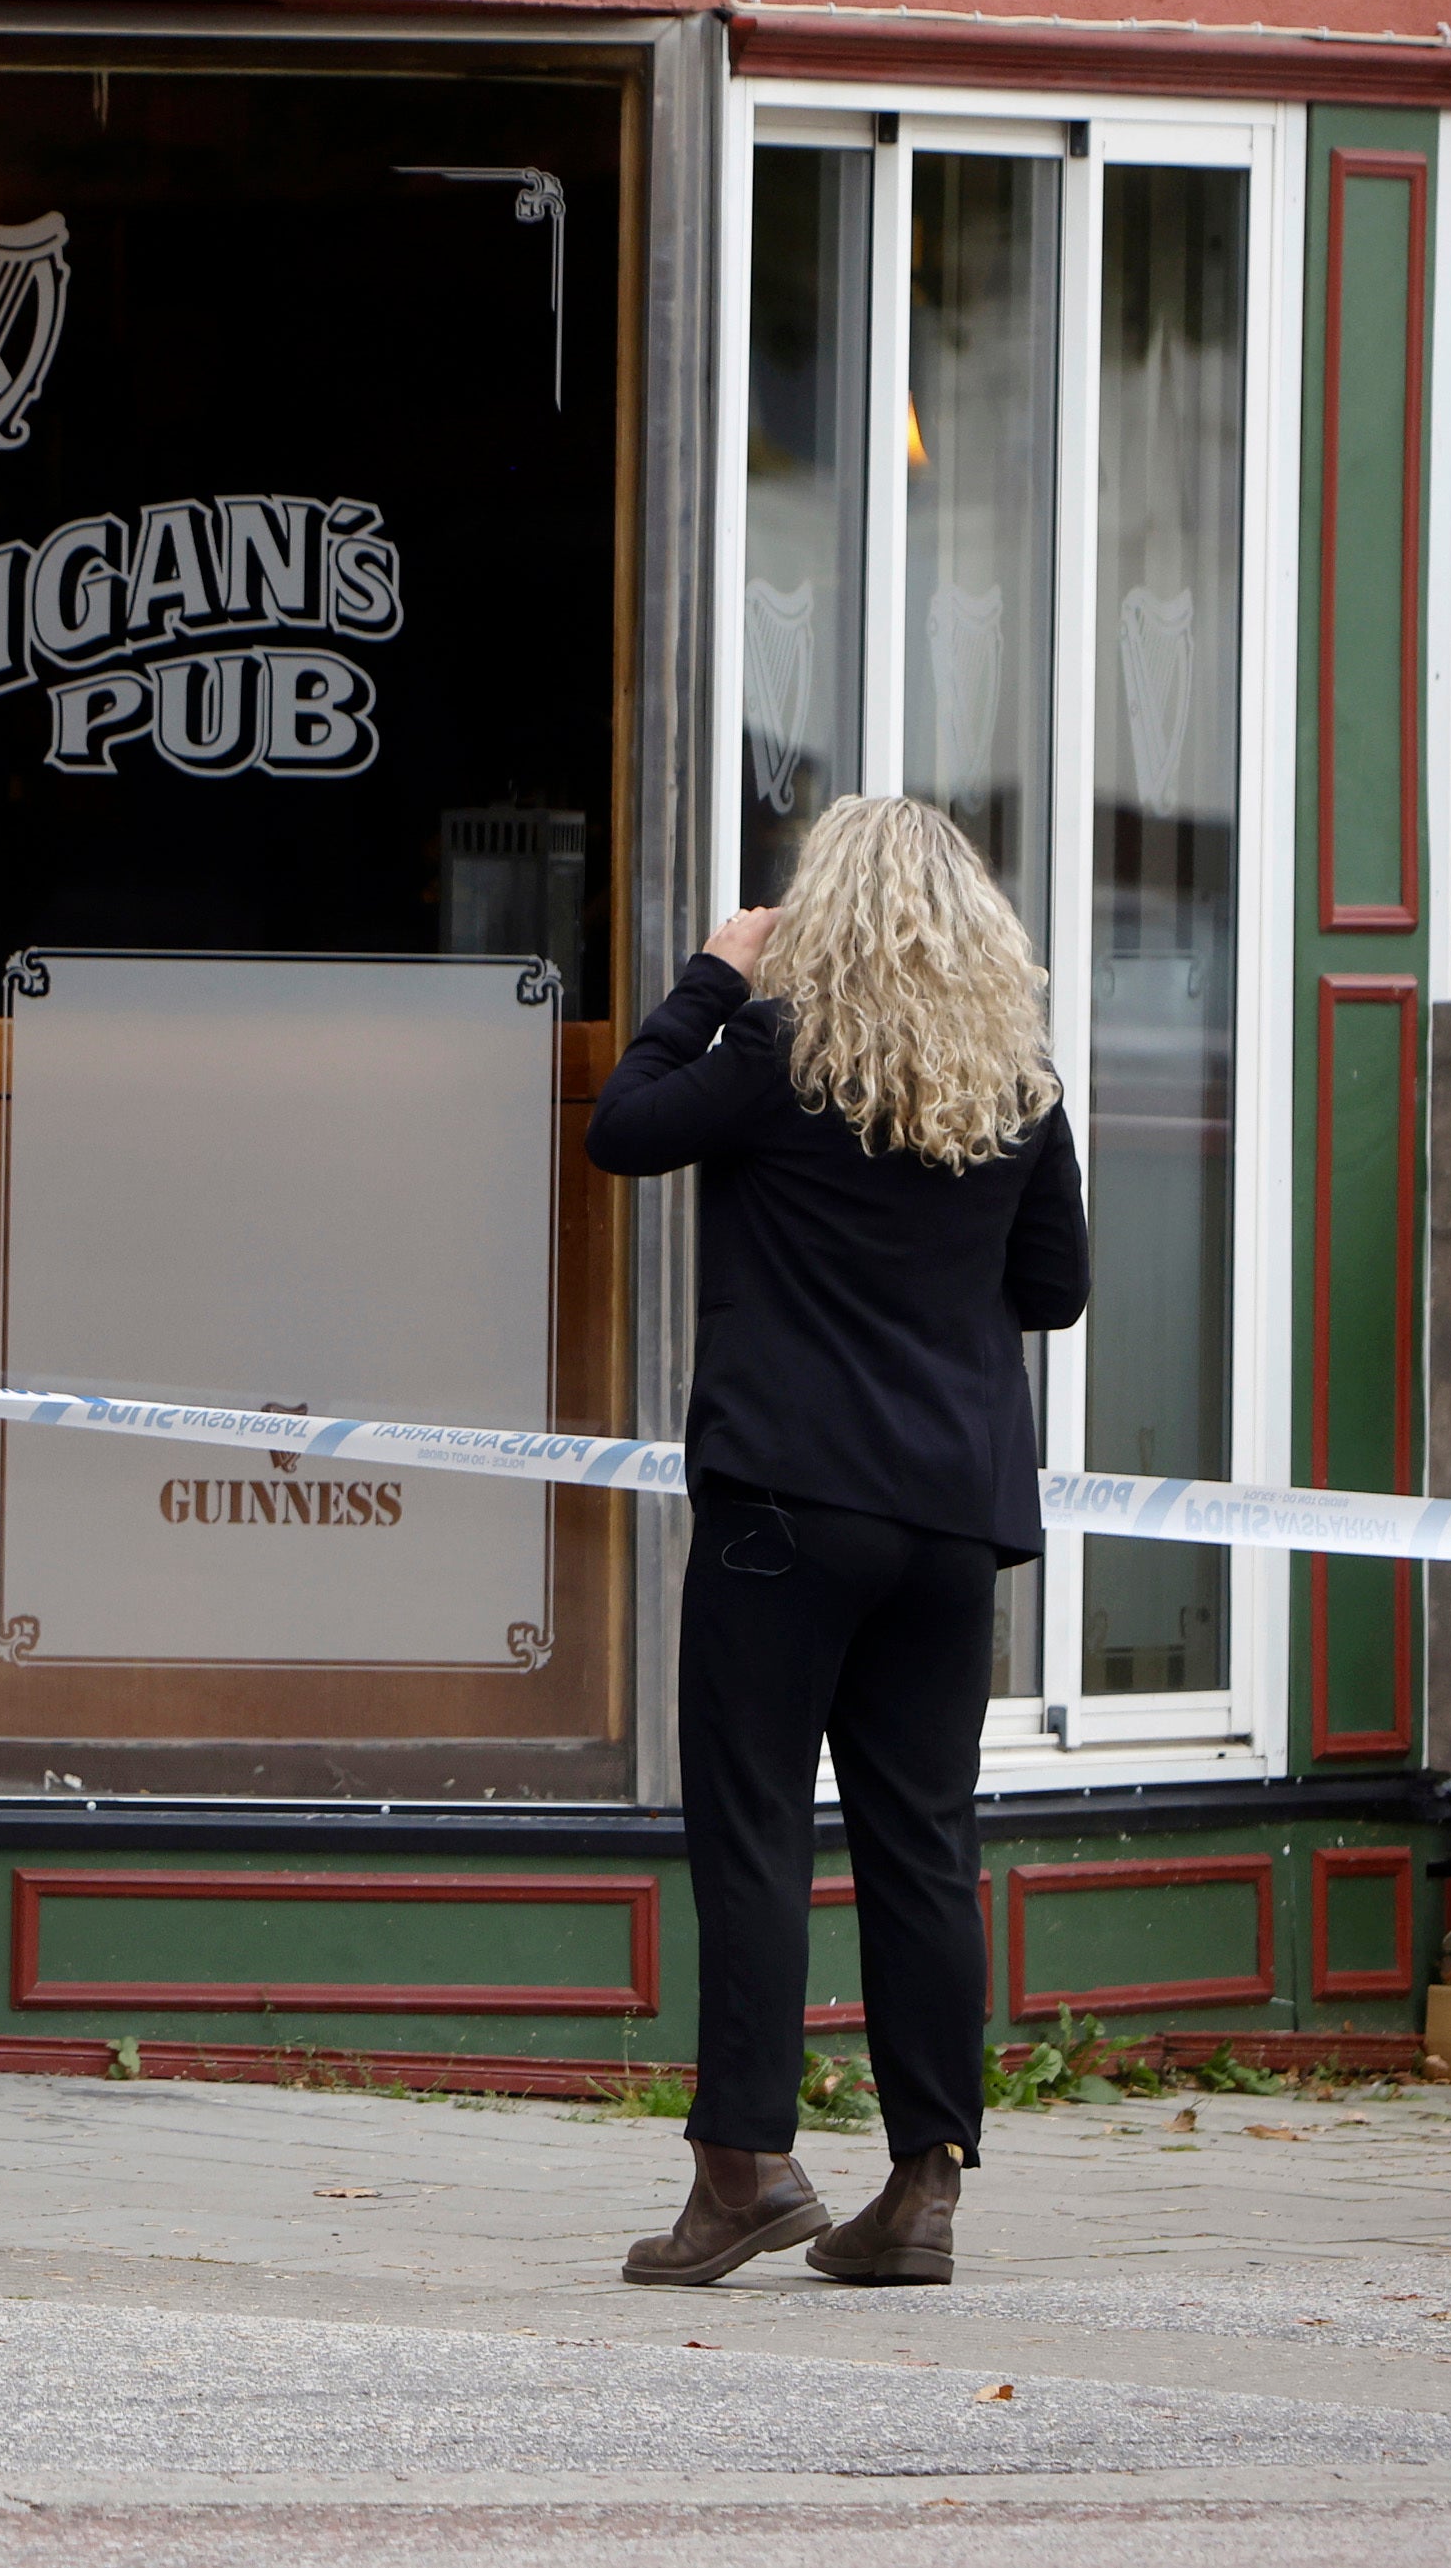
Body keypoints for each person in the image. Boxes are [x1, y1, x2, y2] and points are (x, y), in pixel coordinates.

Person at [584, 793, 1088, 2290]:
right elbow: (1052, 1290)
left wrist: (712, 977)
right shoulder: (1012, 1083)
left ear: (828, 911)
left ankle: (739, 2169)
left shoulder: (769, 1054)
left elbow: (621, 1130)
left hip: (786, 1505)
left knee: (751, 1835)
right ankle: (922, 2185)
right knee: (921, 1844)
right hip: (949, 1519)